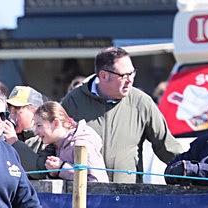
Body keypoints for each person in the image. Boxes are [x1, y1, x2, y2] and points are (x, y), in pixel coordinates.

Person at [61, 46, 182, 183]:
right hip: (83, 195)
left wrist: (190, 169)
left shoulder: (141, 102)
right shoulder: (73, 101)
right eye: (124, 75)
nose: (130, 80)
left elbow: (166, 146)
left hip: (128, 196)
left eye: (132, 73)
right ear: (103, 76)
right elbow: (51, 142)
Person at [33, 101, 109, 182]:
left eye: (39, 125)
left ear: (56, 123)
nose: (35, 132)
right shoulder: (57, 146)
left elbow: (96, 181)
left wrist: (62, 168)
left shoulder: (82, 144)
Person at [3, 85, 52, 174]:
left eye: (16, 112)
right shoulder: (6, 136)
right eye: (9, 112)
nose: (10, 117)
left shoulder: (45, 137)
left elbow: (40, 171)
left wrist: (14, 143)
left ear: (34, 112)